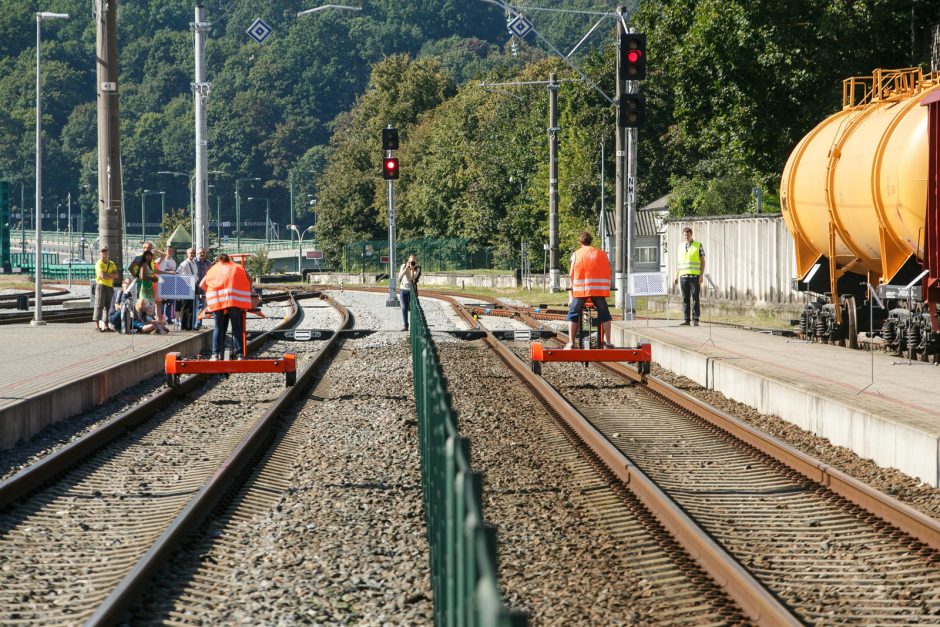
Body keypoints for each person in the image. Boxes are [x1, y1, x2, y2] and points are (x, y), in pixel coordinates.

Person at [200, 253, 253, 360]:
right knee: (236, 326)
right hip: (233, 300)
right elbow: (250, 280)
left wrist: (210, 291)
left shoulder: (213, 269)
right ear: (229, 260)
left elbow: (201, 284)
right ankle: (239, 354)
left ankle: (215, 354)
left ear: (219, 260)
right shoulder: (237, 267)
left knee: (218, 327)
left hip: (217, 300)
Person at [566, 231, 613, 349]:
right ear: (591, 241)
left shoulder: (576, 254)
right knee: (605, 314)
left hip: (581, 290)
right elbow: (609, 270)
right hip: (598, 290)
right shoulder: (602, 254)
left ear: (580, 242)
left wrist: (570, 293)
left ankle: (571, 343)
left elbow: (571, 274)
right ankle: (608, 342)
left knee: (573, 313)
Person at [675, 226, 705, 326]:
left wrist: (701, 275)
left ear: (691, 235)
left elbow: (702, 261)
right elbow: (679, 263)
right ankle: (686, 319)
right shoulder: (680, 246)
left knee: (695, 297)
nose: (686, 237)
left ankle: (695, 319)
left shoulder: (698, 245)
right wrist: (676, 275)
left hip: (694, 276)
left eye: (687, 235)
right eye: (684, 235)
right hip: (683, 276)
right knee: (685, 298)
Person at [93, 247, 121, 332]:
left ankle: (106, 326)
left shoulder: (111, 263)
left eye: (105, 252)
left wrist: (107, 275)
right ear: (100, 254)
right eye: (102, 252)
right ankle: (97, 326)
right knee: (99, 305)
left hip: (110, 286)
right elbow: (102, 276)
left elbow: (117, 275)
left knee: (109, 306)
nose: (104, 254)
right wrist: (111, 275)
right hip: (101, 286)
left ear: (108, 253)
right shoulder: (99, 263)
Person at [397, 254, 421, 331]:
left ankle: (414, 326)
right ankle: (405, 326)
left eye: (413, 262)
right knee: (404, 308)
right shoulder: (403, 266)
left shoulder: (417, 268)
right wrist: (406, 268)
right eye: (410, 261)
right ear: (408, 261)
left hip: (412, 291)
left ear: (415, 262)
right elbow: (399, 276)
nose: (411, 263)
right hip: (403, 290)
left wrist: (412, 269)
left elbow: (412, 280)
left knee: (413, 308)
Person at [177, 247, 199, 330]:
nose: (192, 254)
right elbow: (178, 273)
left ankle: (190, 326)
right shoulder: (184, 263)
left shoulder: (194, 263)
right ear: (187, 254)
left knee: (191, 307)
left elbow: (195, 274)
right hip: (186, 285)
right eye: (191, 253)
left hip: (193, 285)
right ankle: (184, 326)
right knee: (185, 307)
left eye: (194, 253)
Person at [156, 246, 177, 323]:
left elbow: (173, 271)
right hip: (160, 283)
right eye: (169, 251)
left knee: (169, 302)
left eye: (172, 251)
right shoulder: (160, 260)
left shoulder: (173, 262)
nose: (170, 252)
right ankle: (160, 318)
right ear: (166, 251)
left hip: (169, 284)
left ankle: (169, 319)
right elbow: (157, 270)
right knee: (160, 302)